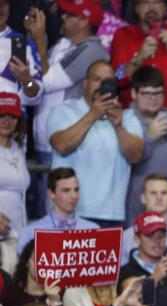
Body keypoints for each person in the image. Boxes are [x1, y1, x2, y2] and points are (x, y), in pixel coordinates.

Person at [25, 0, 108, 215]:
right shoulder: (64, 44)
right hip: (46, 142)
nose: (63, 17)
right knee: (44, 216)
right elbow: (36, 73)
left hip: (66, 142)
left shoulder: (91, 50)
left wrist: (40, 40)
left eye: (70, 14)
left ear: (84, 21)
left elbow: (47, 82)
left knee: (57, 216)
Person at [47, 60, 144, 227]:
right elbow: (62, 146)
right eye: (97, 79)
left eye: (108, 81)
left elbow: (135, 156)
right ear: (85, 83)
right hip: (68, 212)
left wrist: (119, 126)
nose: (102, 85)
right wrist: (93, 114)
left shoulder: (128, 117)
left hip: (111, 214)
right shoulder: (63, 111)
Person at [110, 0, 167, 133]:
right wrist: (139, 58)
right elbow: (118, 79)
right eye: (145, 2)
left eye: (157, 2)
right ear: (136, 8)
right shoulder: (123, 35)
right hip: (134, 127)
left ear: (166, 8)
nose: (151, 8)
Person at [124, 66, 167, 226]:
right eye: (146, 93)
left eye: (157, 93)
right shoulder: (125, 123)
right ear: (134, 93)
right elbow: (128, 161)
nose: (153, 98)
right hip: (140, 216)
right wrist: (149, 137)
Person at [17, 168, 99, 255]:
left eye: (76, 190)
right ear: (51, 193)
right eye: (66, 190)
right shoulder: (30, 233)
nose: (74, 196)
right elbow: (23, 266)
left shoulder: (94, 230)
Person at [0, 92, 29, 274]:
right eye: (1, 115)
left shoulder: (18, 149)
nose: (6, 121)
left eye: (11, 116)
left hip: (18, 236)